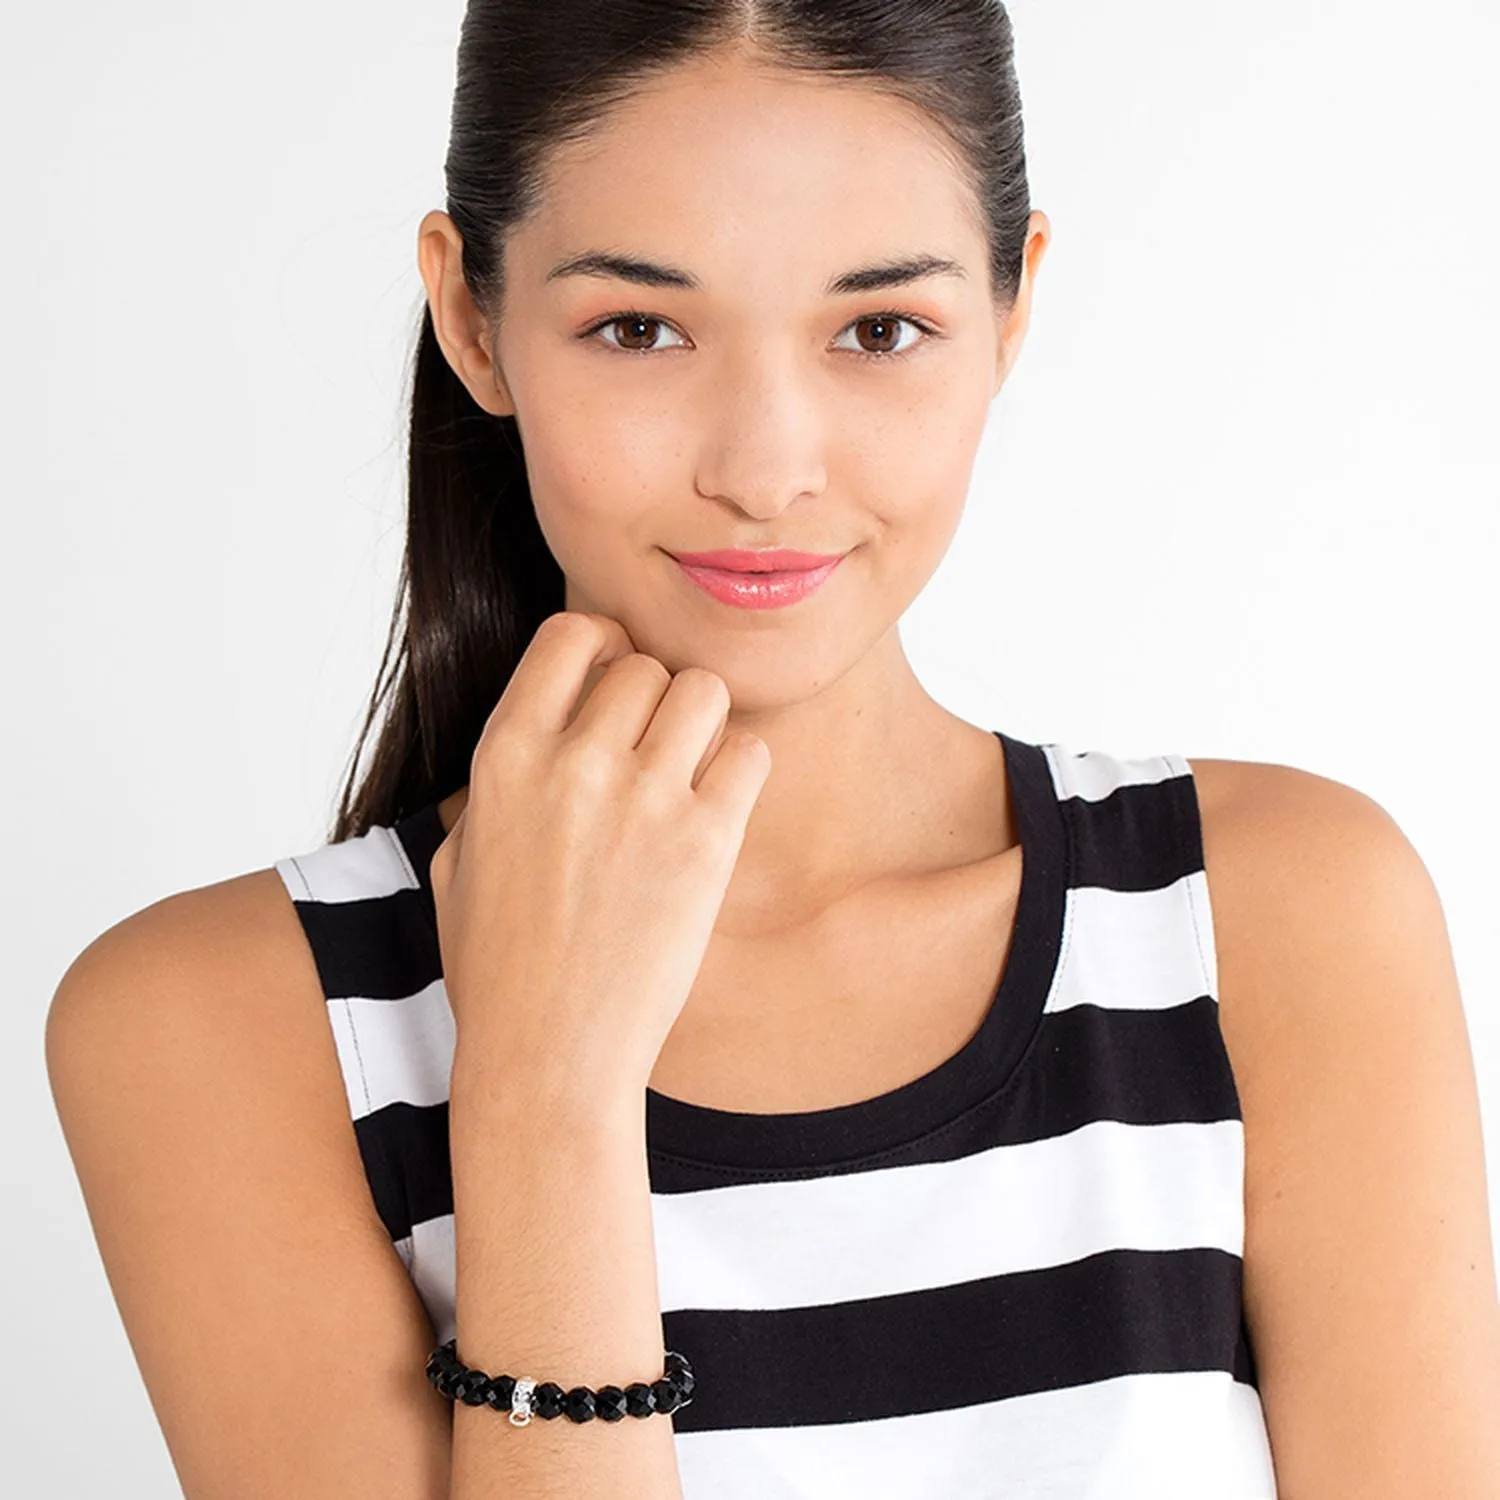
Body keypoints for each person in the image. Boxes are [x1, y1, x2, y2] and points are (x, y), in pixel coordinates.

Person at [44, 3, 1500, 1497]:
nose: (764, 467)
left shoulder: (1281, 918)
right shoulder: (217, 1026)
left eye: (880, 330)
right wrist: (548, 1094)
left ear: (1013, 308)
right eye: (639, 327)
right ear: (471, 317)